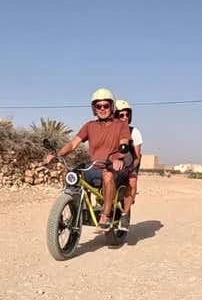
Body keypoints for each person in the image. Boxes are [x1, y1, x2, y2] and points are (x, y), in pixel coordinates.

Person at [44, 88, 131, 230]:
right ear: (94, 109)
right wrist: (58, 154)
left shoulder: (121, 125)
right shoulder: (89, 126)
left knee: (107, 176)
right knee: (72, 174)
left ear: (112, 106)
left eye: (106, 106)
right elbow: (73, 143)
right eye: (99, 106)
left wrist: (119, 158)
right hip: (94, 167)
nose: (102, 109)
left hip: (112, 168)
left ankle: (106, 215)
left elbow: (124, 143)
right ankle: (70, 208)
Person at [114, 99, 143, 231]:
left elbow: (137, 156)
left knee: (132, 181)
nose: (125, 118)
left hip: (129, 164)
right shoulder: (111, 131)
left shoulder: (134, 132)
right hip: (112, 165)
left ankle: (125, 215)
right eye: (121, 115)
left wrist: (131, 169)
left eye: (127, 115)